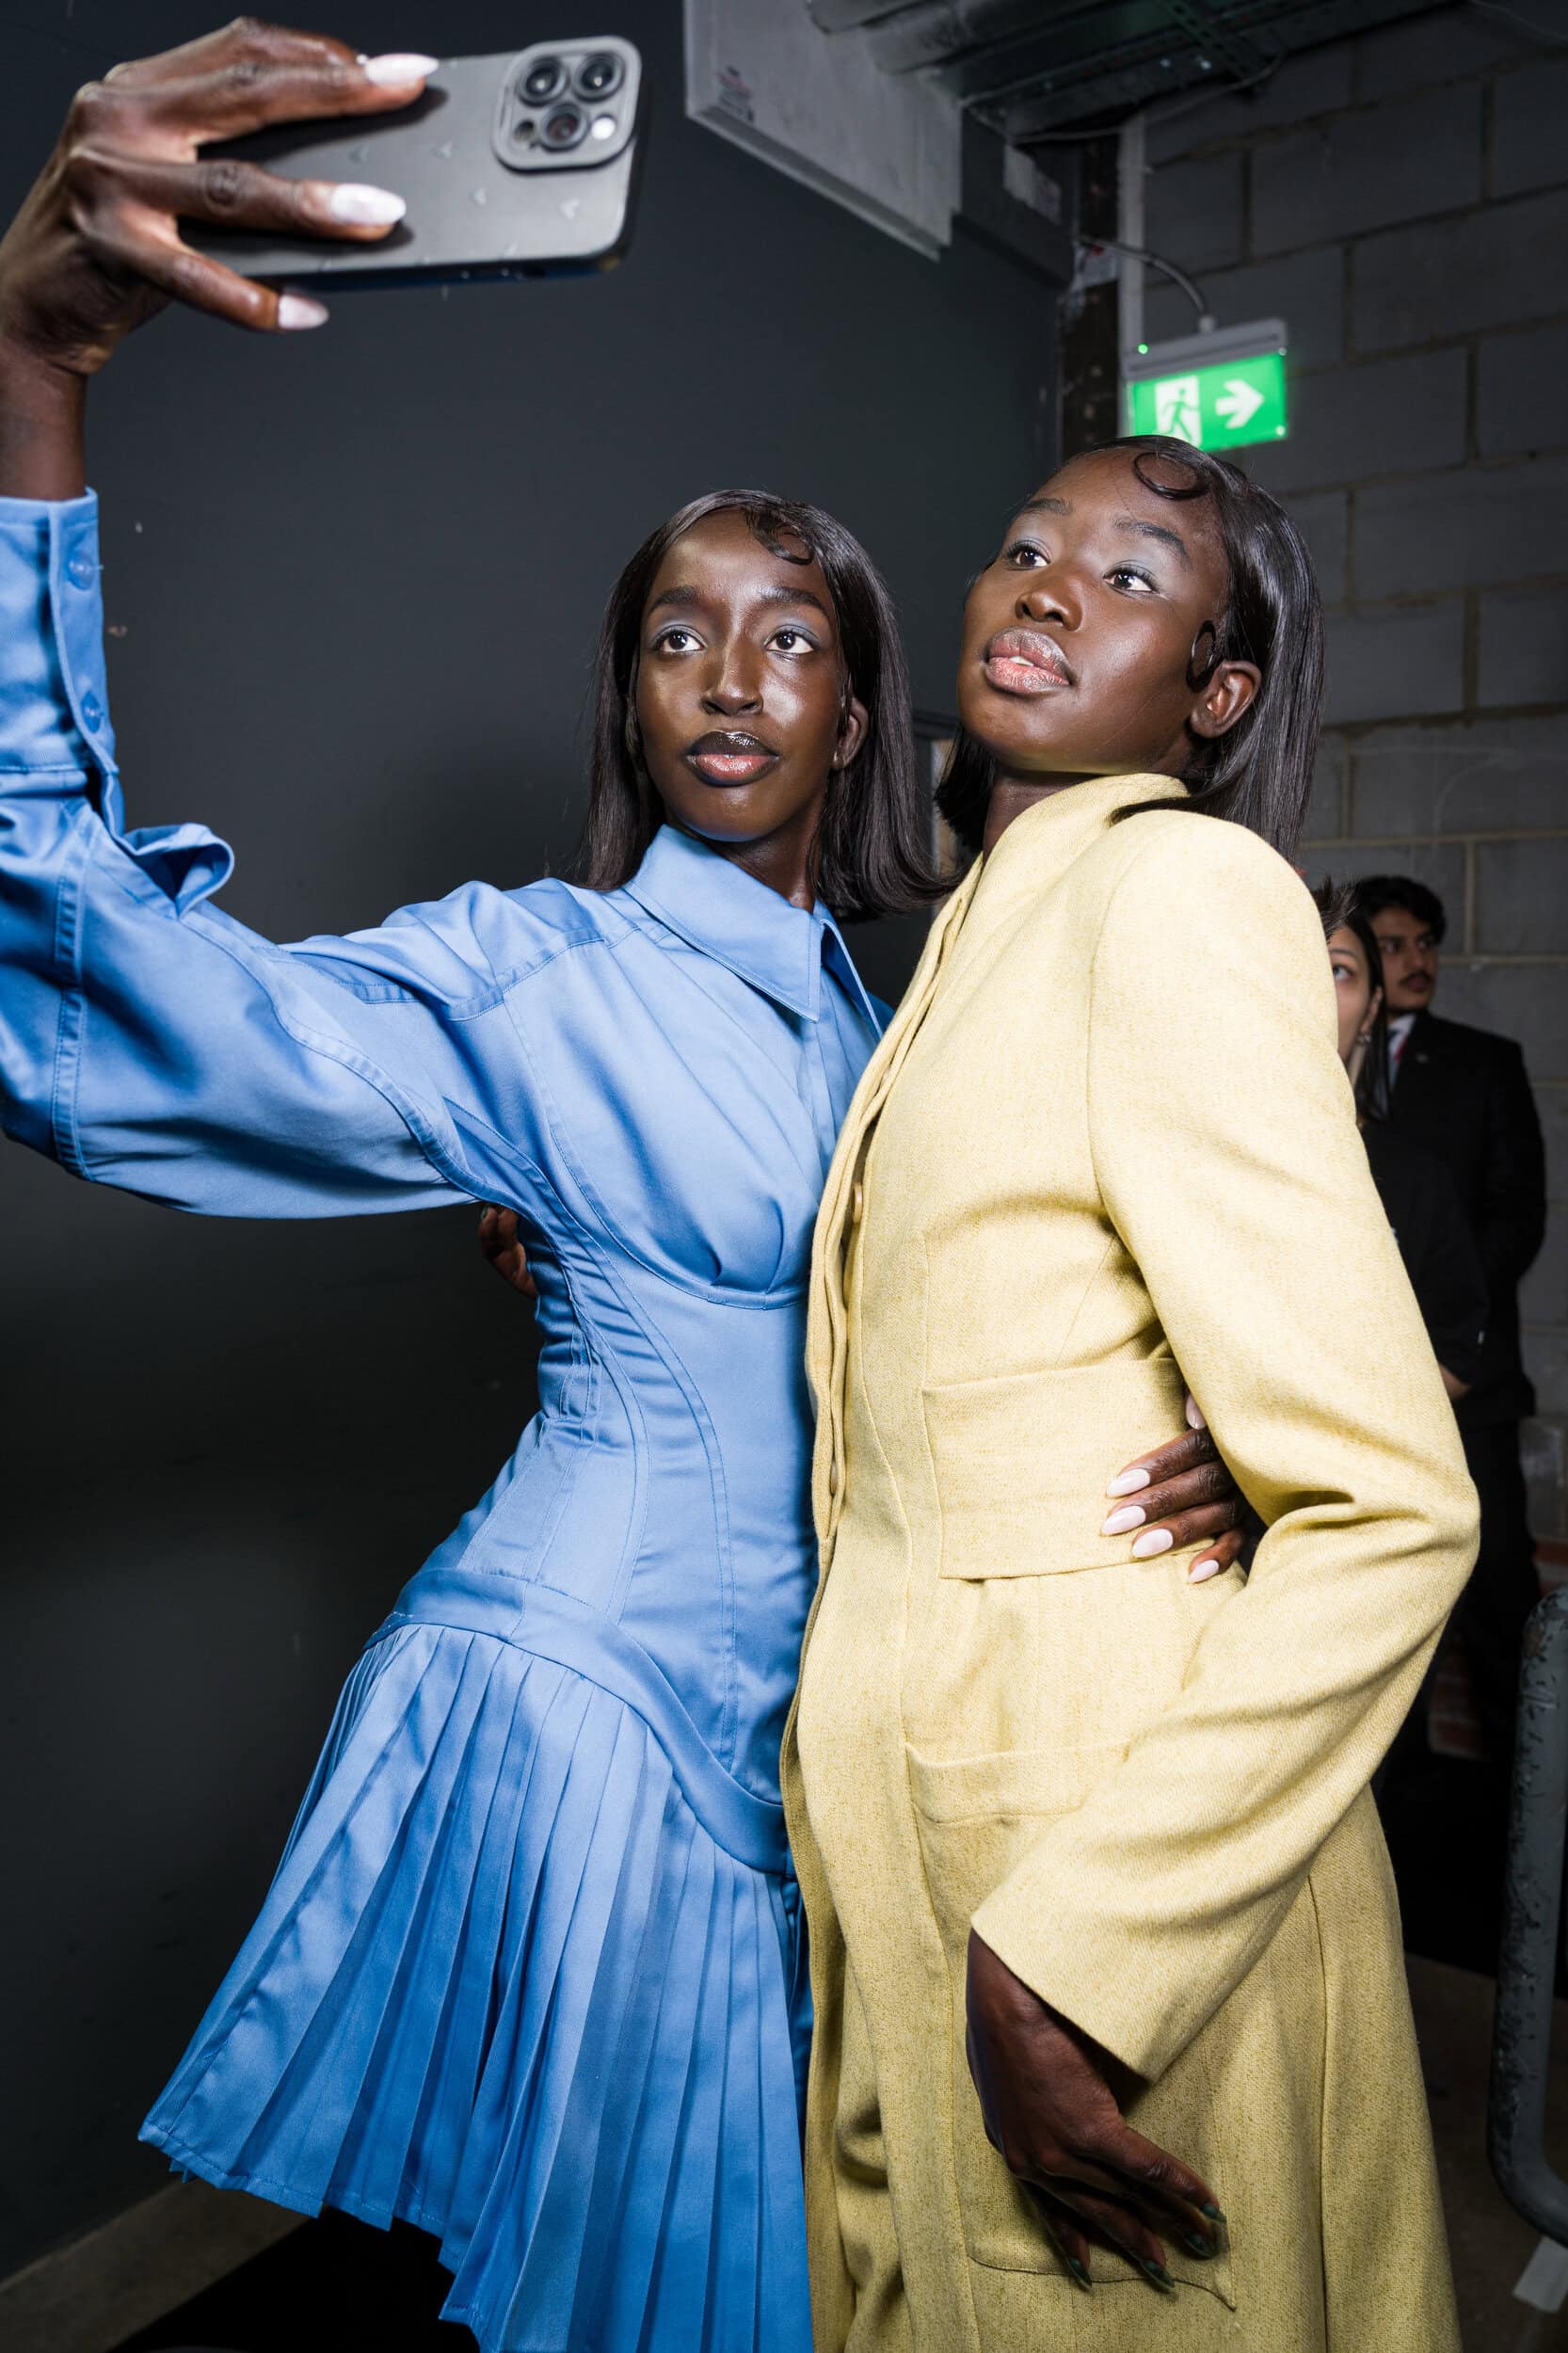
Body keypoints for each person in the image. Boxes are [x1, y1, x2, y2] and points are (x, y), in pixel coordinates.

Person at [0, 29, 1245, 2353]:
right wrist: (35, 372)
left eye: (792, 635)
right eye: (679, 633)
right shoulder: (534, 978)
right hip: (594, 1716)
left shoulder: (891, 1021)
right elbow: (74, 969)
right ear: (632, 700)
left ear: (863, 710)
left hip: (812, 1748)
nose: (733, 678)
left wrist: (1190, 1434)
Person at [783, 439, 1479, 2352]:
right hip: (939, 1802)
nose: (1041, 591)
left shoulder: (1169, 888)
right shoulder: (977, 925)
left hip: (1093, 1844)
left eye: (1124, 580)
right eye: (1023, 550)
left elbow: (1390, 1498)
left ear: (1213, 690)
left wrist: (1077, 1955)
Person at [1359, 873, 1547, 1772]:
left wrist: (1439, 1297)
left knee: (1500, 1607)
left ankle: (1530, 1838)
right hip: (1365, 1398)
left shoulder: (1484, 1062)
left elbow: (1521, 1213)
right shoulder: (1315, 1069)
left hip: (1467, 1386)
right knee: (1392, 1635)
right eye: (1393, 945)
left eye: (1425, 943)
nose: (1416, 961)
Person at [1313, 881, 1488, 1404]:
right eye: (1290, 961)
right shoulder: (1197, 1153)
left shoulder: (1416, 1177)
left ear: (1372, 1010)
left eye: (1338, 969)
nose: (1310, 986)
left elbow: (1457, 1349)